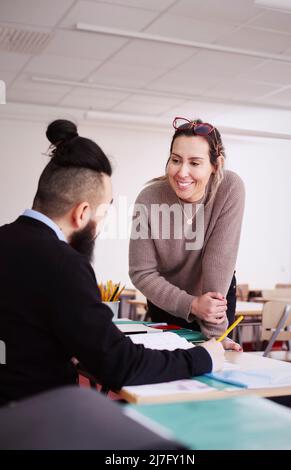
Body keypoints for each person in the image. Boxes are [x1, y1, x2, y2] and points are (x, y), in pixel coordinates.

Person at [0, 119, 224, 406]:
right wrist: (202, 357)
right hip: (37, 421)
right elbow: (121, 365)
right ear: (82, 213)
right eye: (104, 213)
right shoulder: (65, 265)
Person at [129, 117, 245, 346]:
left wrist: (216, 336)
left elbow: (218, 262)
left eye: (195, 163)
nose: (182, 172)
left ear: (216, 165)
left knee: (213, 365)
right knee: (172, 369)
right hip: (167, 296)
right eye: (176, 160)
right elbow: (142, 272)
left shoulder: (229, 188)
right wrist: (191, 304)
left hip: (214, 296)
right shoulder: (148, 199)